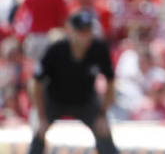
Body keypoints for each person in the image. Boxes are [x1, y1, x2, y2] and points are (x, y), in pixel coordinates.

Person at [28, 11, 119, 154]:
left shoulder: (99, 49)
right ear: (71, 31)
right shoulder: (56, 49)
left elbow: (111, 81)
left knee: (104, 130)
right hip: (54, 100)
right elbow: (36, 83)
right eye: (82, 31)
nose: (86, 36)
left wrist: (102, 114)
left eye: (89, 31)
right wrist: (40, 116)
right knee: (38, 131)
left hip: (85, 100)